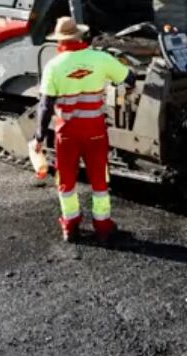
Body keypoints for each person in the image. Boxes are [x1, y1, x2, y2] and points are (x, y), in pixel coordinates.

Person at [34, 16, 133, 242]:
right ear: (80, 35)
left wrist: (39, 136)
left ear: (59, 40)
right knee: (99, 178)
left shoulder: (53, 66)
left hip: (66, 134)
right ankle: (103, 226)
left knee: (66, 180)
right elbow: (129, 78)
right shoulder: (101, 58)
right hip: (95, 131)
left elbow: (45, 105)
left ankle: (70, 226)